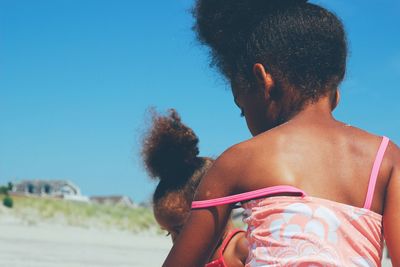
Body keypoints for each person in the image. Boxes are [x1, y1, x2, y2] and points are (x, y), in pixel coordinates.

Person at [162, 0, 400, 266]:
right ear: (336, 95)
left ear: (263, 78)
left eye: (242, 109)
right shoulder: (385, 157)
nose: (246, 120)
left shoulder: (238, 160)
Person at [141, 109, 248, 267]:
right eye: (169, 232)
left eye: (181, 229)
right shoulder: (189, 259)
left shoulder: (241, 249)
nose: (176, 242)